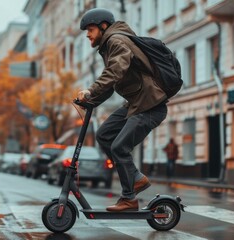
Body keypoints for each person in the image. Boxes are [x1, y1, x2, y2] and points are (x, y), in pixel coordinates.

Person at [77, 8, 168, 212]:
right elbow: (111, 84)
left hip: (150, 105)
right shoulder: (109, 45)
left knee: (119, 147)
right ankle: (135, 178)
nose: (87, 34)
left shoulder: (116, 41)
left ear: (103, 26)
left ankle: (129, 198)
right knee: (105, 135)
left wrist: (91, 90)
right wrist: (91, 101)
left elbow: (115, 71)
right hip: (137, 103)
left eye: (90, 29)